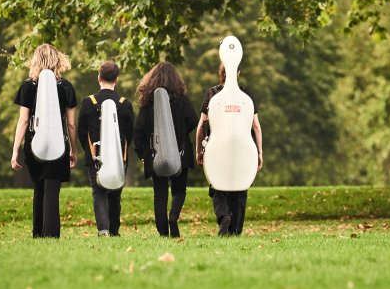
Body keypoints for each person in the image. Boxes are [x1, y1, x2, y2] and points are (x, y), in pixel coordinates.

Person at [11, 44, 77, 238]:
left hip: (34, 144)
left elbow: (23, 120)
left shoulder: (28, 86)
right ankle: (51, 234)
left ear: (35, 60)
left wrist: (15, 151)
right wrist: (73, 150)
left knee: (39, 187)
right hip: (59, 144)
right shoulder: (66, 87)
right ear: (57, 60)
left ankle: (38, 233)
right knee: (52, 189)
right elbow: (71, 124)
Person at [195, 63, 263, 236]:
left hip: (217, 147)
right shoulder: (245, 95)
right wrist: (259, 152)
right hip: (242, 148)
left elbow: (202, 125)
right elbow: (256, 126)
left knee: (217, 184)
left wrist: (199, 150)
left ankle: (224, 215)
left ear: (221, 73)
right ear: (238, 73)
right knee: (241, 185)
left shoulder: (212, 94)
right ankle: (236, 229)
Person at [133, 62, 198, 238]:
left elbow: (138, 131)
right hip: (181, 152)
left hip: (156, 155)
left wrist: (143, 154)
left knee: (159, 195)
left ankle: (163, 233)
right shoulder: (182, 100)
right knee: (179, 190)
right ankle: (173, 217)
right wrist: (180, 134)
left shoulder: (148, 103)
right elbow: (192, 120)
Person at [77, 61, 134, 237]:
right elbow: (129, 134)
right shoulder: (125, 103)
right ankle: (114, 230)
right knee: (115, 194)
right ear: (116, 79)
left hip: (95, 156)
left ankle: (103, 229)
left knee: (98, 193)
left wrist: (89, 151)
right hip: (119, 156)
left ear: (99, 78)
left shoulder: (88, 102)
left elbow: (81, 131)